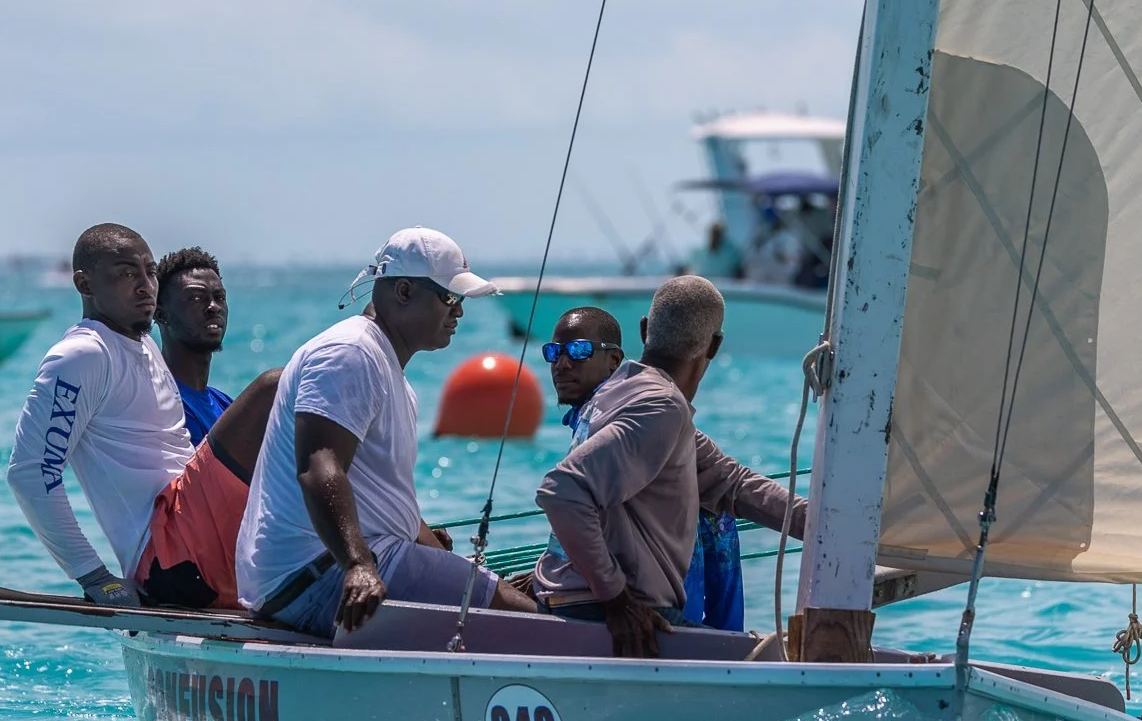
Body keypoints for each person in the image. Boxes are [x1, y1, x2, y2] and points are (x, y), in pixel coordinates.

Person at [235, 227, 537, 638]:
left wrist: (470, 572)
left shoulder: (389, 372)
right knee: (532, 620)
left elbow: (383, 503)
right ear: (404, 292)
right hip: (315, 574)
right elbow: (319, 466)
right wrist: (358, 565)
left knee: (504, 595)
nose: (459, 312)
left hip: (340, 564)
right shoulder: (351, 352)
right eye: (450, 297)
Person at [7, 223, 277, 611]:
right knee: (273, 389)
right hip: (168, 556)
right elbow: (30, 472)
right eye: (126, 274)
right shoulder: (82, 355)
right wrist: (93, 575)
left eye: (149, 272)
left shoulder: (145, 346)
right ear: (85, 284)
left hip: (202, 544)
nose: (145, 285)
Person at [534, 278, 806, 657]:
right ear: (714, 346)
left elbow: (734, 484)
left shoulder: (621, 391)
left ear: (644, 330)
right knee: (777, 661)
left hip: (573, 598)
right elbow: (561, 491)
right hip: (606, 612)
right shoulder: (660, 407)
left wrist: (831, 528)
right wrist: (616, 599)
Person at [155, 246, 234, 446]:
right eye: (196, 298)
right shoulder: (159, 403)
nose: (213, 307)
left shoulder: (225, 405)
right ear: (161, 315)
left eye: (220, 298)